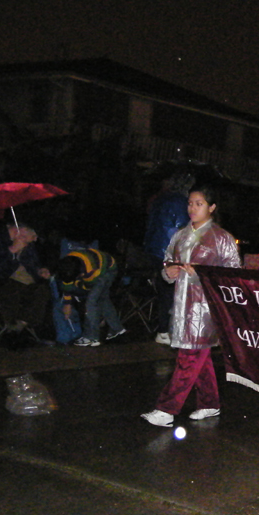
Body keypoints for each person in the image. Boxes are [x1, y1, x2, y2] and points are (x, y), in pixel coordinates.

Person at [141, 183, 241, 427]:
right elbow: (167, 262)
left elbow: (233, 274)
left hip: (206, 310)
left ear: (212, 207)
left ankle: (166, 409)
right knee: (198, 357)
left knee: (188, 357)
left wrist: (201, 274)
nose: (192, 208)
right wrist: (170, 271)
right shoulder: (181, 234)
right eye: (190, 203)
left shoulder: (221, 238)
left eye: (199, 204)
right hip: (182, 305)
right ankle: (209, 403)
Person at [0, 221, 52, 343]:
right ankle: (12, 329)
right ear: (21, 230)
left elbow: (33, 264)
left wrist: (39, 271)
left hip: (25, 285)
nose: (35, 239)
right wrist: (11, 251)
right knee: (13, 290)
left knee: (43, 291)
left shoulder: (27, 244)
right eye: (34, 235)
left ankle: (17, 327)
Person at [143, 173, 193, 345]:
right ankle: (164, 330)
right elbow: (180, 229)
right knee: (169, 292)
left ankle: (165, 329)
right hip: (168, 252)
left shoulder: (160, 199)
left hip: (154, 249)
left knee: (165, 290)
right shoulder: (179, 203)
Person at [57, 248, 126, 347]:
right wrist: (67, 303)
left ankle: (91, 337)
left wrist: (78, 284)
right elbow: (67, 284)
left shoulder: (90, 270)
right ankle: (117, 329)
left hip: (107, 270)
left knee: (91, 302)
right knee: (103, 299)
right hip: (95, 265)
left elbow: (88, 287)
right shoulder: (67, 264)